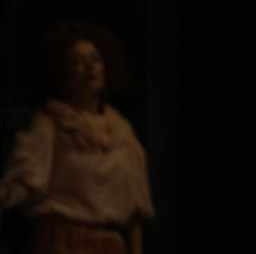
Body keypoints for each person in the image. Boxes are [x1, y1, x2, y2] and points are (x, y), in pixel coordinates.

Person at [0, 21, 154, 254]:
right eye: (77, 62)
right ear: (63, 75)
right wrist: (7, 193)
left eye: (95, 59)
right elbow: (26, 183)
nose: (90, 67)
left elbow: (134, 213)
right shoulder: (51, 124)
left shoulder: (121, 132)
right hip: (62, 244)